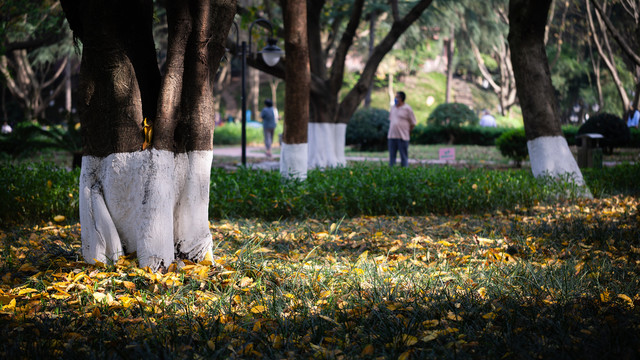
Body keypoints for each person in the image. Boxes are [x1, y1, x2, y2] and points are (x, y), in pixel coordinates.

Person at [388, 91, 417, 167]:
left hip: (403, 137)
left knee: (403, 157)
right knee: (392, 158)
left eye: (397, 97)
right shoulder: (393, 108)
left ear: (401, 98)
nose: (395, 99)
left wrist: (408, 132)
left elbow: (413, 123)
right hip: (392, 136)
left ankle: (404, 173)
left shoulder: (407, 108)